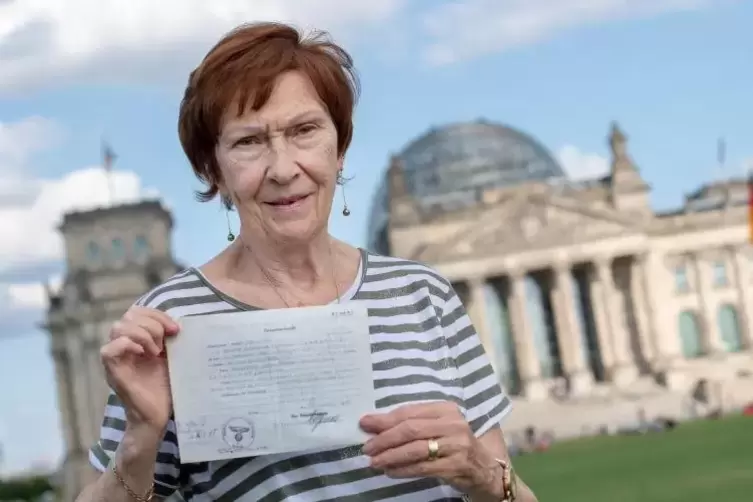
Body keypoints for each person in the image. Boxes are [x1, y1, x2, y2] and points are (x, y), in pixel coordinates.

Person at [76, 21, 538, 502]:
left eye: (304, 131)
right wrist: (139, 441)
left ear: (340, 148)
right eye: (248, 141)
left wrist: (480, 472)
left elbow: (510, 492)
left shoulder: (422, 294)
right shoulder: (171, 320)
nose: (282, 168)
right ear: (214, 170)